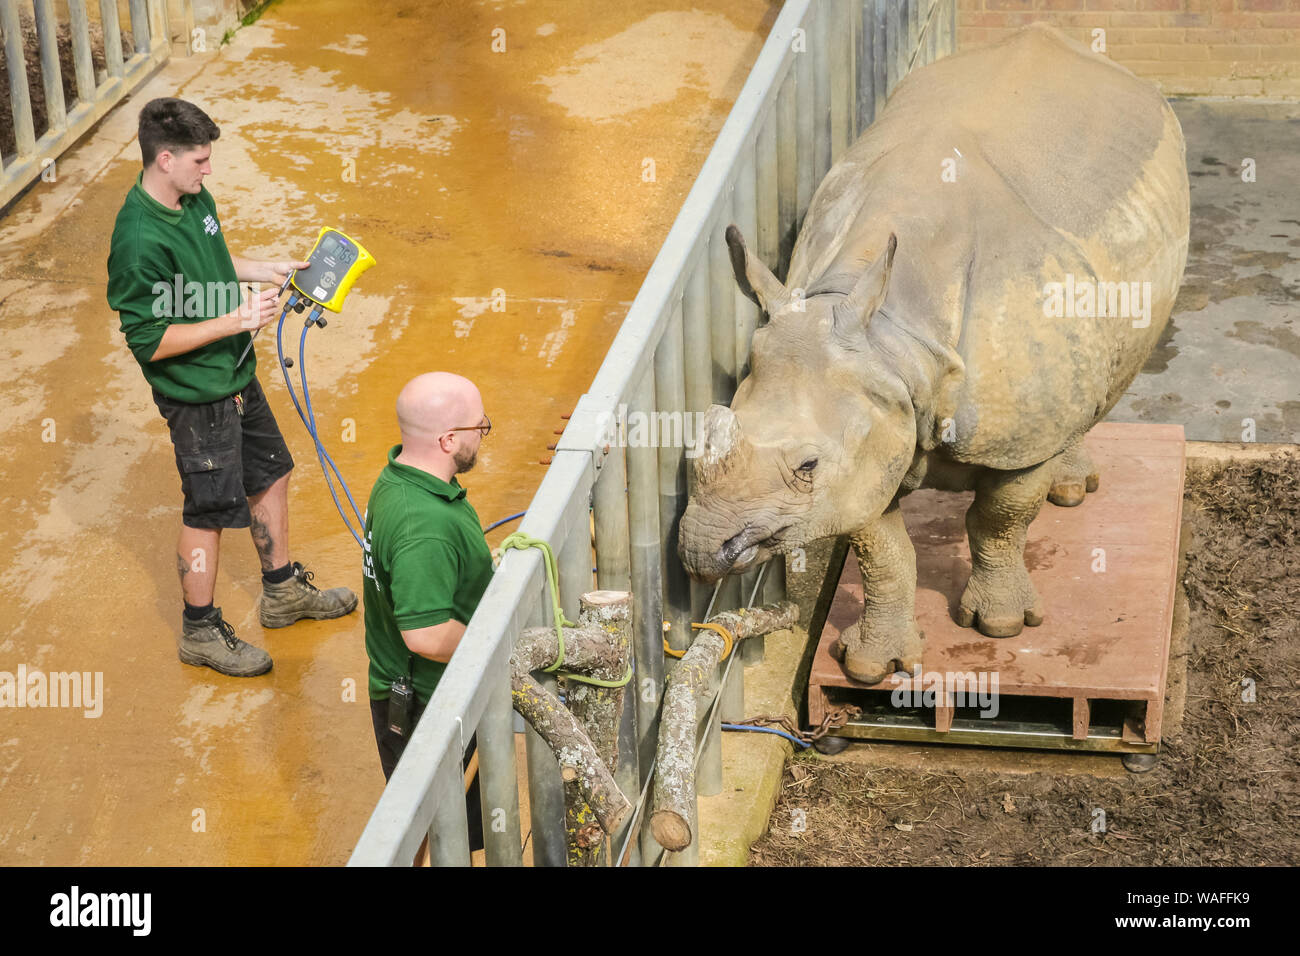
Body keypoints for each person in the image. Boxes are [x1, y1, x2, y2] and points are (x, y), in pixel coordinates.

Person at [107, 97, 357, 678]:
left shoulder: (193, 197)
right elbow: (149, 340)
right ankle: (199, 630)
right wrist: (237, 320)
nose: (209, 169)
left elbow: (213, 261)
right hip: (196, 394)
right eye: (199, 159)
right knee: (209, 510)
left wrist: (264, 268)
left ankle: (283, 592)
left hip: (235, 373)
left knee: (272, 472)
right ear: (164, 159)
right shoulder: (138, 240)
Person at [362, 372, 494, 850]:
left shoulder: (397, 478)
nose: (484, 435)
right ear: (447, 439)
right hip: (430, 705)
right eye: (480, 428)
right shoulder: (426, 527)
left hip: (413, 691)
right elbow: (426, 633)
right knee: (443, 836)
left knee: (435, 829)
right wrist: (499, 638)